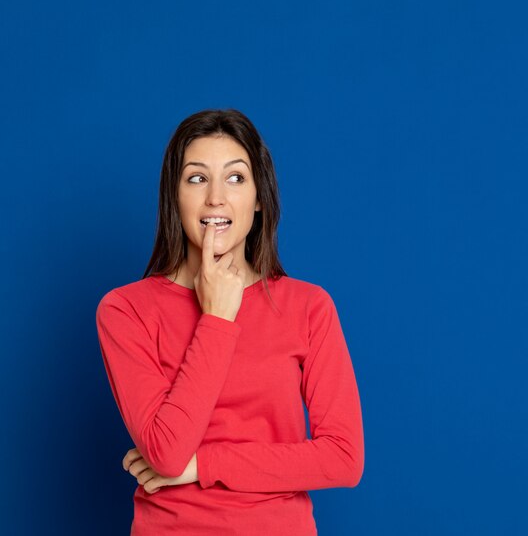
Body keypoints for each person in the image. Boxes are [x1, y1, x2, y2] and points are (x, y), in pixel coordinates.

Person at [95, 108, 365, 535]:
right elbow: (166, 455)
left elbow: (343, 458)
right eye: (197, 178)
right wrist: (217, 317)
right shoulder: (125, 310)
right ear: (175, 196)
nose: (215, 198)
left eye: (235, 178)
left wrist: (202, 466)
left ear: (259, 199)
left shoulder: (309, 306)